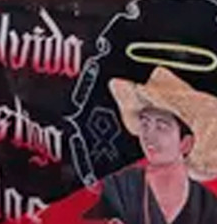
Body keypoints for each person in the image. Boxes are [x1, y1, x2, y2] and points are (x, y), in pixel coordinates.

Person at [84, 66, 217, 223]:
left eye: (161, 127)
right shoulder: (118, 187)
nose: (148, 136)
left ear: (186, 143)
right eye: (145, 125)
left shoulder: (207, 206)